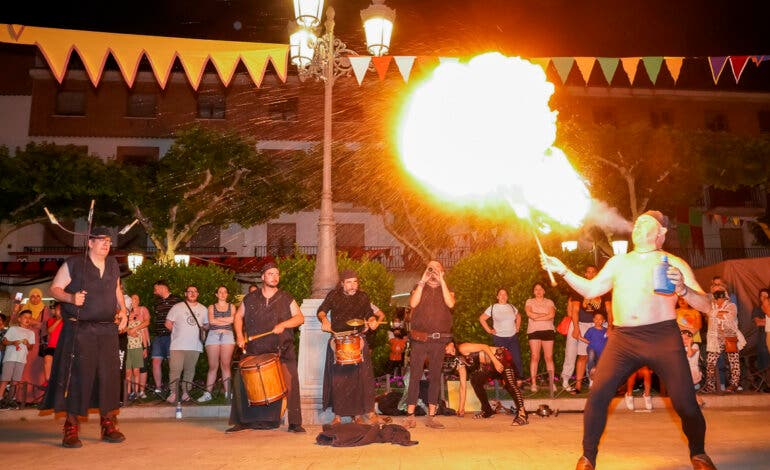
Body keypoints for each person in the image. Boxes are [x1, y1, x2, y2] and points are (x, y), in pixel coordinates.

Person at [540, 210, 715, 470]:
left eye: (646, 222)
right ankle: (588, 458)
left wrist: (683, 289)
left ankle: (699, 454)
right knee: (597, 395)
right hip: (624, 339)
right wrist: (563, 270)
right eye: (637, 222)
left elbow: (707, 306)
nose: (638, 225)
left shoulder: (673, 262)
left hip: (662, 336)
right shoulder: (618, 262)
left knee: (685, 402)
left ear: (661, 233)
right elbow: (591, 289)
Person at [44, 226, 128, 448]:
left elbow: (117, 290)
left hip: (107, 330)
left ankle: (108, 423)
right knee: (78, 378)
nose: (106, 244)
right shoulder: (73, 263)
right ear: (89, 242)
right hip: (80, 331)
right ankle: (70, 427)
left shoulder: (112, 264)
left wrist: (124, 312)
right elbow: (54, 289)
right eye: (101, 240)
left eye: (108, 240)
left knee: (108, 378)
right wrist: (71, 298)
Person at [228, 262, 305, 433]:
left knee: (291, 383)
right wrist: (240, 337)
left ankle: (295, 423)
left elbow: (300, 318)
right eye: (270, 273)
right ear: (263, 277)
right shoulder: (250, 299)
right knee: (241, 381)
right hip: (255, 349)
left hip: (282, 349)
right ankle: (242, 421)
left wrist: (284, 324)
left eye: (277, 273)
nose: (274, 276)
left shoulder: (286, 297)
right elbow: (238, 317)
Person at [318, 269, 385, 425]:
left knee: (358, 379)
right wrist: (324, 321)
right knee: (339, 379)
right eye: (349, 282)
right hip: (339, 339)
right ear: (342, 284)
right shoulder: (333, 295)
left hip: (357, 339)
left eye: (355, 282)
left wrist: (372, 320)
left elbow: (369, 313)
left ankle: (357, 415)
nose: (352, 285)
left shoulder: (363, 297)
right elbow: (321, 311)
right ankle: (338, 416)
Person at [403, 260, 454, 430]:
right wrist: (423, 280)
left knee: (434, 377)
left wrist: (442, 280)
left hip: (438, 341)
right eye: (430, 268)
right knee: (415, 376)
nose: (433, 272)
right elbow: (413, 303)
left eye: (437, 269)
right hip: (419, 339)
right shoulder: (420, 287)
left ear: (442, 271)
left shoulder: (446, 290)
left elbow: (450, 303)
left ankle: (431, 415)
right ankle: (409, 415)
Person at [561, 266, 610, 394]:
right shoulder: (579, 289)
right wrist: (576, 328)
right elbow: (575, 310)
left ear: (597, 274)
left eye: (594, 272)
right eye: (588, 272)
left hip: (597, 325)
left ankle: (593, 381)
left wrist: (610, 327)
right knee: (572, 353)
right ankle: (566, 380)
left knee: (595, 355)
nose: (591, 274)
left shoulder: (603, 290)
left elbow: (610, 311)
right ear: (585, 274)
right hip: (579, 323)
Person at [455, 342, 528, 425]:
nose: (447, 352)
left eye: (446, 348)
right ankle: (487, 411)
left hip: (500, 358)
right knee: (475, 380)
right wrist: (461, 408)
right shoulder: (459, 361)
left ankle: (523, 415)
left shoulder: (462, 347)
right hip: (490, 366)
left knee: (510, 385)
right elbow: (462, 386)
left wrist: (496, 362)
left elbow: (484, 346)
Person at [164, 285, 208, 403]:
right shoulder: (177, 307)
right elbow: (168, 323)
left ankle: (185, 392)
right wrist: (178, 333)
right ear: (185, 294)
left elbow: (207, 325)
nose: (192, 293)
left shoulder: (204, 309)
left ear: (198, 294)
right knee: (175, 370)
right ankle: (173, 392)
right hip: (177, 345)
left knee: (190, 370)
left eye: (195, 291)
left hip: (194, 345)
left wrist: (204, 328)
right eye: (190, 291)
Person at [702, 283, 741, 394]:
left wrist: (715, 314)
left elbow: (730, 316)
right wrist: (717, 313)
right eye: (715, 293)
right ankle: (710, 386)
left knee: (734, 362)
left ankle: (734, 384)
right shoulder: (711, 306)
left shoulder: (731, 305)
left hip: (729, 336)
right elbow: (709, 313)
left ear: (724, 294)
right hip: (715, 338)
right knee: (710, 362)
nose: (717, 295)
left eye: (719, 292)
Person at [11, 287, 49, 403]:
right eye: (32, 296)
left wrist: (34, 322)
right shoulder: (24, 308)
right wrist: (16, 310)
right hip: (23, 344)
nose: (35, 298)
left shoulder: (45, 309)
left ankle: (37, 399)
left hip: (37, 345)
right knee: (22, 370)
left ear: (41, 297)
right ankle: (21, 398)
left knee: (36, 370)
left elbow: (47, 327)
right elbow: (13, 321)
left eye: (38, 296)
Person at [199, 285, 236, 402]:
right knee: (213, 366)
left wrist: (218, 321)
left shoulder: (232, 306)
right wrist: (226, 320)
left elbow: (232, 320)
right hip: (213, 336)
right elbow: (211, 321)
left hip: (228, 335)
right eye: (220, 292)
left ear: (227, 294)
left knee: (225, 365)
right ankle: (208, 393)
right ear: (216, 294)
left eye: (225, 292)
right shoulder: (211, 307)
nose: (223, 294)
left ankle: (228, 393)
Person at [479, 288, 523, 377]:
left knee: (516, 360)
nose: (503, 296)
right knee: (502, 362)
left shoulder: (511, 306)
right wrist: (489, 330)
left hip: (512, 338)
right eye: (500, 294)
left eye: (505, 294)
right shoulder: (493, 307)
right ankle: (504, 382)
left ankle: (519, 381)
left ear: (507, 296)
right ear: (497, 297)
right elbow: (482, 318)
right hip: (499, 339)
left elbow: (518, 317)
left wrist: (517, 327)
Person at [151, 280, 181, 395]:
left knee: (172, 362)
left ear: (162, 287)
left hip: (171, 336)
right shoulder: (156, 302)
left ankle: (173, 388)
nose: (155, 292)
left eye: (156, 288)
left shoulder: (176, 300)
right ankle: (158, 387)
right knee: (155, 361)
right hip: (158, 336)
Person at [525, 282, 556, 394]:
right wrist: (544, 316)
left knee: (549, 357)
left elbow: (551, 315)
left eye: (540, 289)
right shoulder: (529, 301)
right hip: (534, 331)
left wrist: (537, 317)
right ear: (533, 291)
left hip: (548, 330)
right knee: (534, 357)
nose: (538, 291)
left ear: (544, 291)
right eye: (536, 289)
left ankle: (552, 383)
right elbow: (529, 314)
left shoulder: (549, 302)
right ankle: (533, 383)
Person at [0, 310, 35, 407]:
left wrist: (27, 343)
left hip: (21, 359)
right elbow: (4, 341)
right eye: (25, 317)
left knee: (15, 380)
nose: (27, 319)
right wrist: (13, 342)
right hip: (10, 358)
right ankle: (0, 398)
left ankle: (11, 399)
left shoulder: (31, 333)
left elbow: (31, 347)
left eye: (29, 318)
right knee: (5, 379)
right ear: (19, 319)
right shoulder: (13, 329)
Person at [124, 297, 148, 401]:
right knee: (128, 372)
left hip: (138, 348)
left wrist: (145, 348)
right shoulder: (125, 322)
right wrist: (128, 329)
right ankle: (128, 392)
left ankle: (136, 392)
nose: (133, 315)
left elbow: (143, 335)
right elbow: (121, 329)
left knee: (136, 371)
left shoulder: (139, 323)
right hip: (128, 349)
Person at [580, 312, 608, 387]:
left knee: (600, 366)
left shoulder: (606, 331)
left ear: (604, 321)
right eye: (596, 319)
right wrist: (579, 337)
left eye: (600, 319)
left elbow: (608, 341)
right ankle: (591, 379)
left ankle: (599, 381)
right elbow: (587, 340)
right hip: (592, 348)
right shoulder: (591, 330)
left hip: (601, 352)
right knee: (591, 358)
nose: (598, 321)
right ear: (593, 320)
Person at [750, 288, 770, 391]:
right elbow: (758, 323)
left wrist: (764, 320)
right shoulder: (757, 309)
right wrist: (765, 320)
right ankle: (767, 384)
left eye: (766, 296)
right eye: (761, 296)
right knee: (764, 359)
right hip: (762, 337)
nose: (763, 298)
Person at [682, 329, 705, 406]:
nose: (684, 341)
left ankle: (698, 401)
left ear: (691, 339)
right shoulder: (680, 347)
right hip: (685, 371)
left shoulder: (695, 346)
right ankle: (699, 401)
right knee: (687, 388)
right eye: (682, 339)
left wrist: (689, 344)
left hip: (693, 371)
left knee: (686, 387)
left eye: (686, 339)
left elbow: (690, 354)